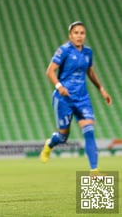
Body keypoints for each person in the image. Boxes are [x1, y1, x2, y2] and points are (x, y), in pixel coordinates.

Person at [40, 21, 112, 173]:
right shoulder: (64, 50)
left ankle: (94, 171)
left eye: (82, 33)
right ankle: (50, 144)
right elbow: (50, 71)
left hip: (82, 99)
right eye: (76, 33)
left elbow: (90, 72)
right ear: (70, 35)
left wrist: (101, 89)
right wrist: (59, 87)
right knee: (62, 137)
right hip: (64, 99)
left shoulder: (88, 52)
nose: (79, 36)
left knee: (89, 131)